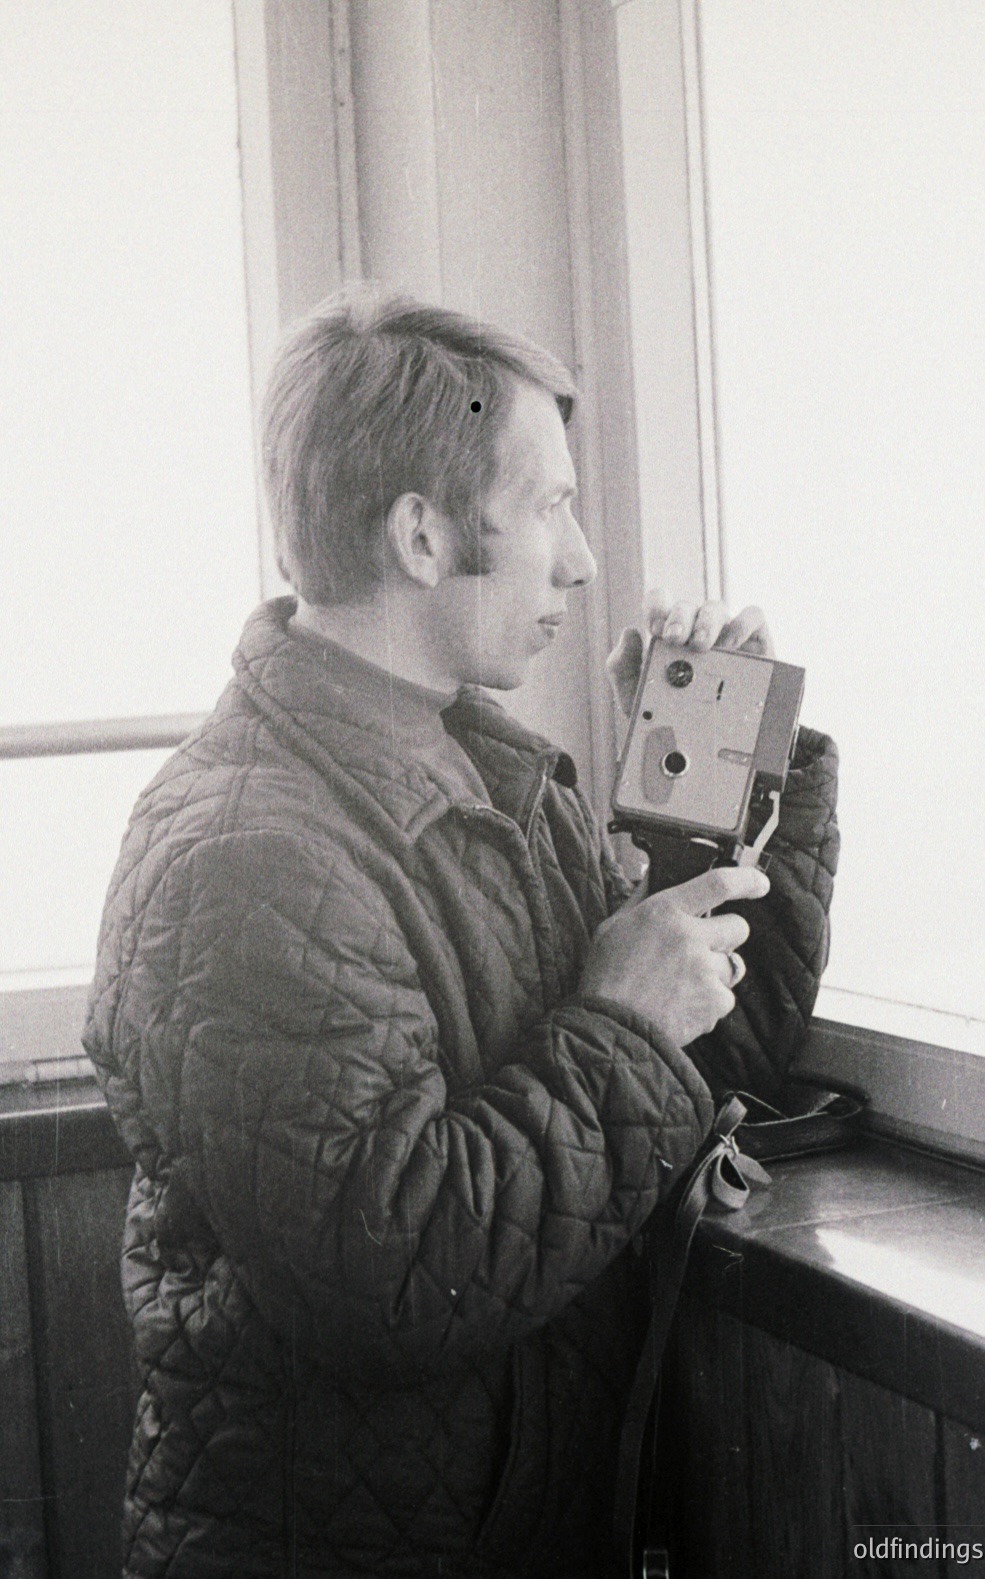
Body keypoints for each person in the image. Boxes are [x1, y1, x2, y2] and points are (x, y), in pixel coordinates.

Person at [84, 292, 839, 1578]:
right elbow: (398, 1269)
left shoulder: (489, 777)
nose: (585, 559)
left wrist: (711, 787)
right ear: (422, 535)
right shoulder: (244, 855)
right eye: (547, 504)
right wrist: (616, 1023)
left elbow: (713, 1058)